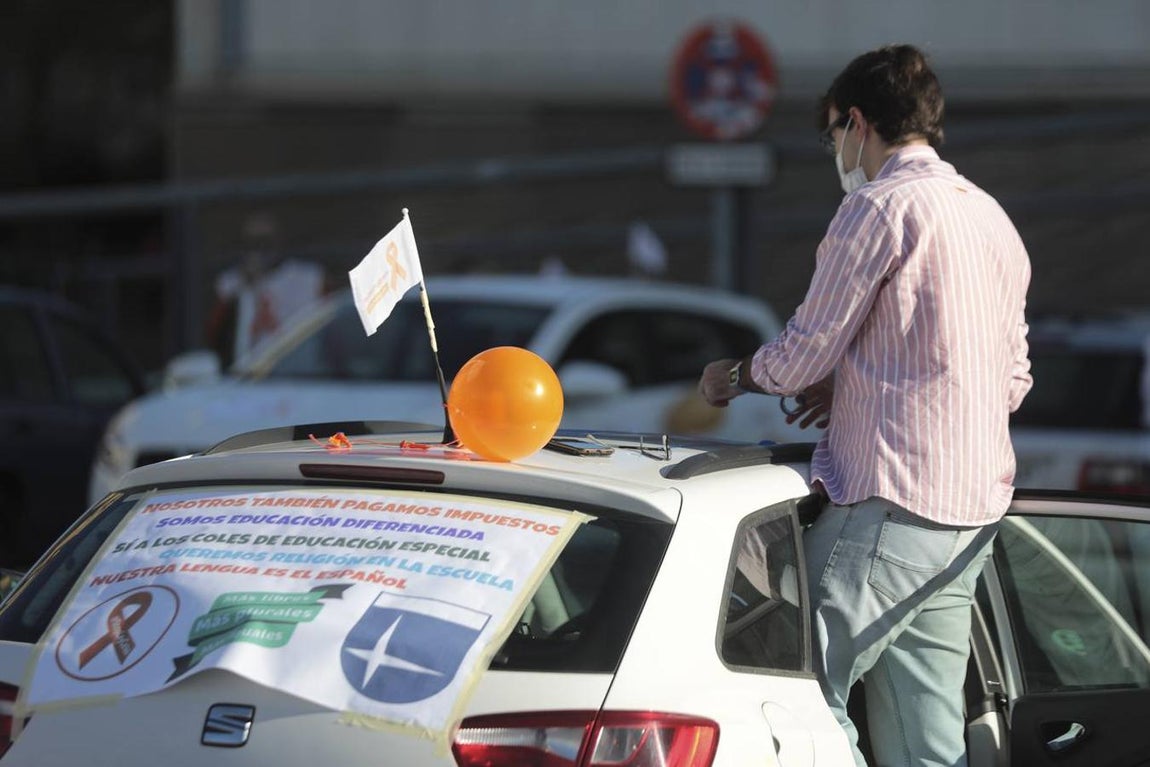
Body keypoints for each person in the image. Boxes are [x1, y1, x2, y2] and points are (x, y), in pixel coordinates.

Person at [698, 44, 1032, 766]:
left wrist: (736, 375)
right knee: (927, 735)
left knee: (794, 701)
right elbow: (1011, 378)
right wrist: (854, 386)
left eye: (832, 134)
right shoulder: (991, 217)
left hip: (890, 500)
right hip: (971, 510)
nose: (838, 152)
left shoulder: (876, 208)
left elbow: (802, 351)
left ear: (856, 121)